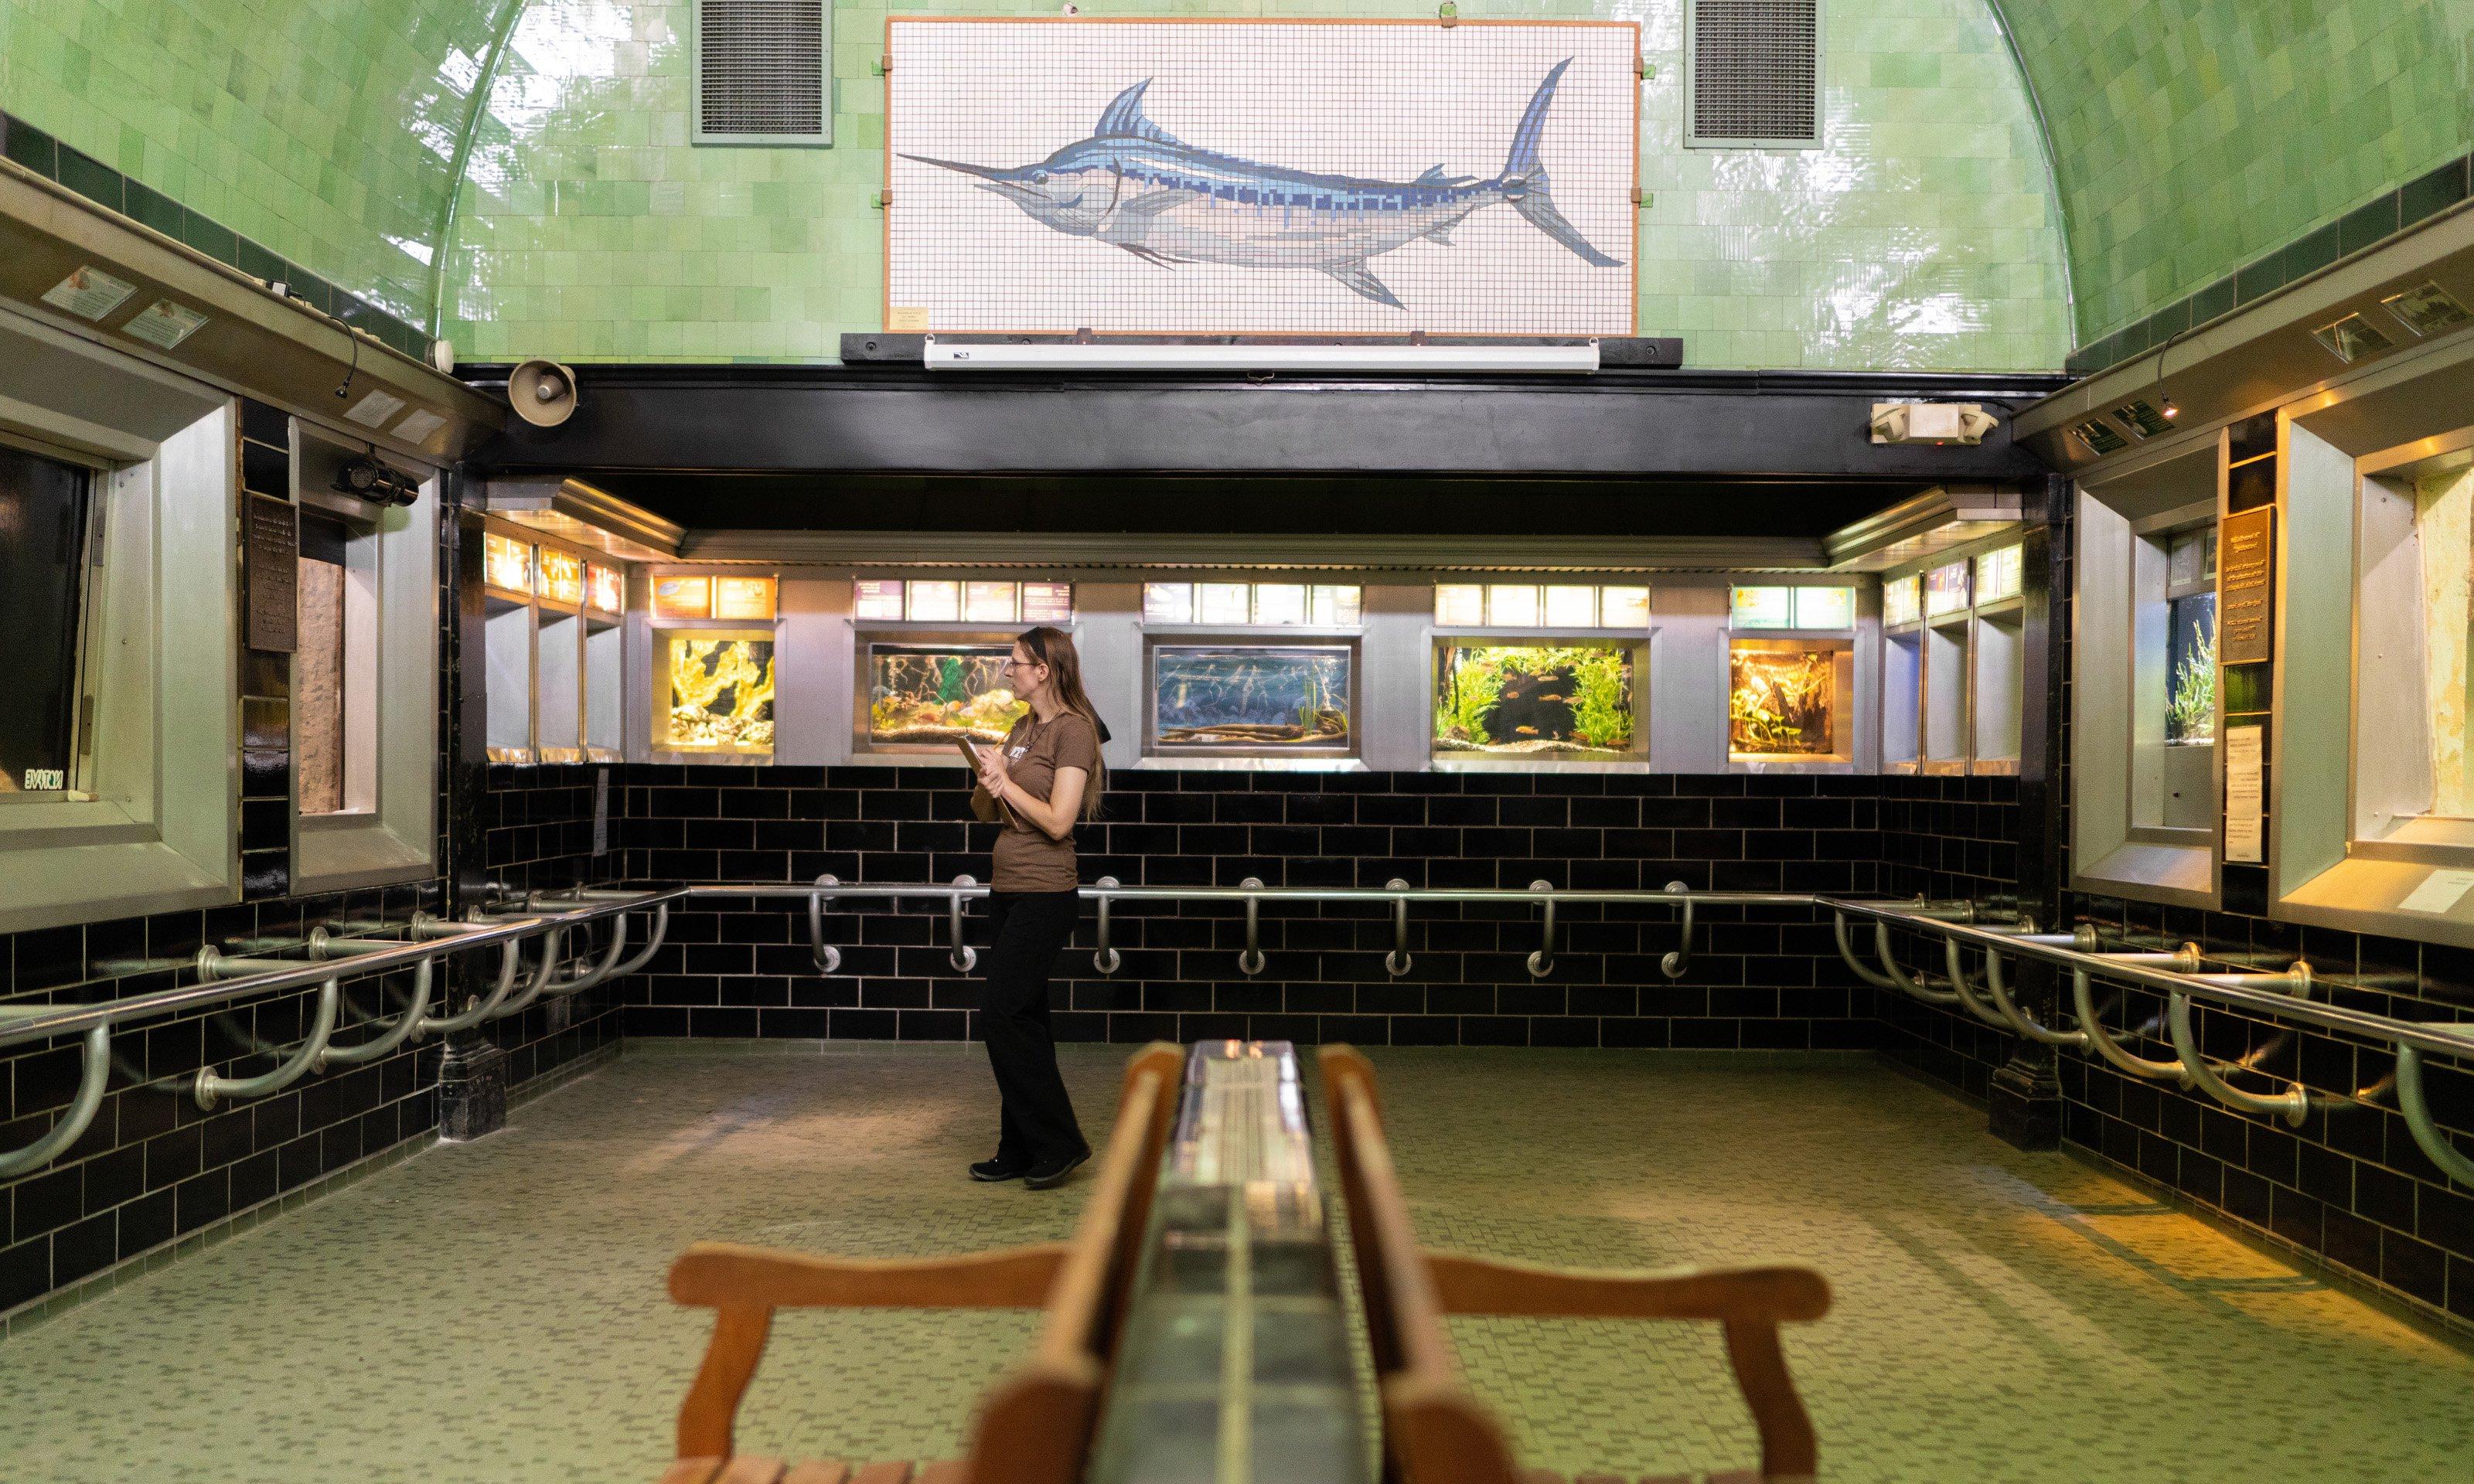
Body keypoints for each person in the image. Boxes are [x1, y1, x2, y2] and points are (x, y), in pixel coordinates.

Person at [966, 625, 1107, 1189]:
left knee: (1002, 1015)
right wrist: (987, 777)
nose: (1007, 671)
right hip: (1007, 890)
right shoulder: (1022, 728)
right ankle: (1019, 1147)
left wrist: (1008, 784)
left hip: (1046, 895)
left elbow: (1057, 821)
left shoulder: (1074, 732)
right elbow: (985, 813)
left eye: (1016, 663)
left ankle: (1059, 1143)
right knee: (1026, 1020)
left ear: (1044, 670)